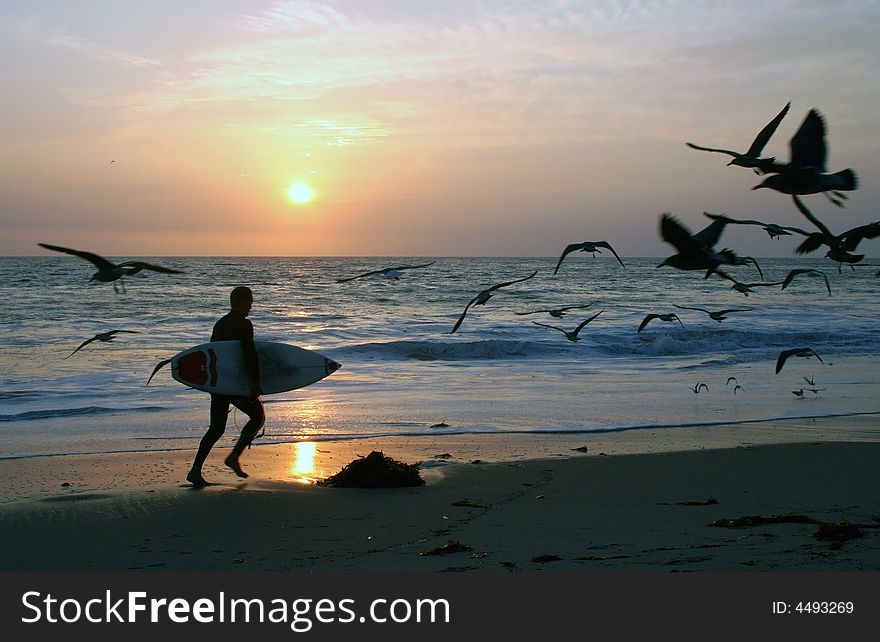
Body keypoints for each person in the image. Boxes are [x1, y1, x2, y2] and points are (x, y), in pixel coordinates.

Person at [187, 286, 264, 486]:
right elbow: (248, 353)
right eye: (250, 302)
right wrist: (255, 381)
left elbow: (212, 353)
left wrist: (211, 382)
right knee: (257, 416)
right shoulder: (244, 324)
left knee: (216, 428)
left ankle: (195, 470)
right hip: (235, 383)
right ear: (242, 302)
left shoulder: (219, 324)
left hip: (218, 382)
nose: (252, 306)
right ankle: (234, 456)